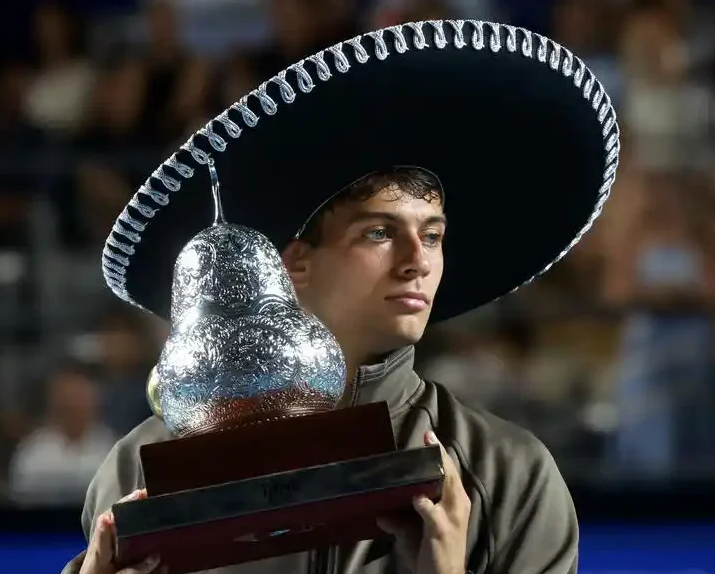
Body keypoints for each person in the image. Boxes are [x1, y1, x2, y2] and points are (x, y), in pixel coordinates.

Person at [64, 19, 620, 574]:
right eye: (378, 233)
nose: (418, 260)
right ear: (293, 265)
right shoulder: (147, 473)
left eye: (432, 235)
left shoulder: (508, 473)